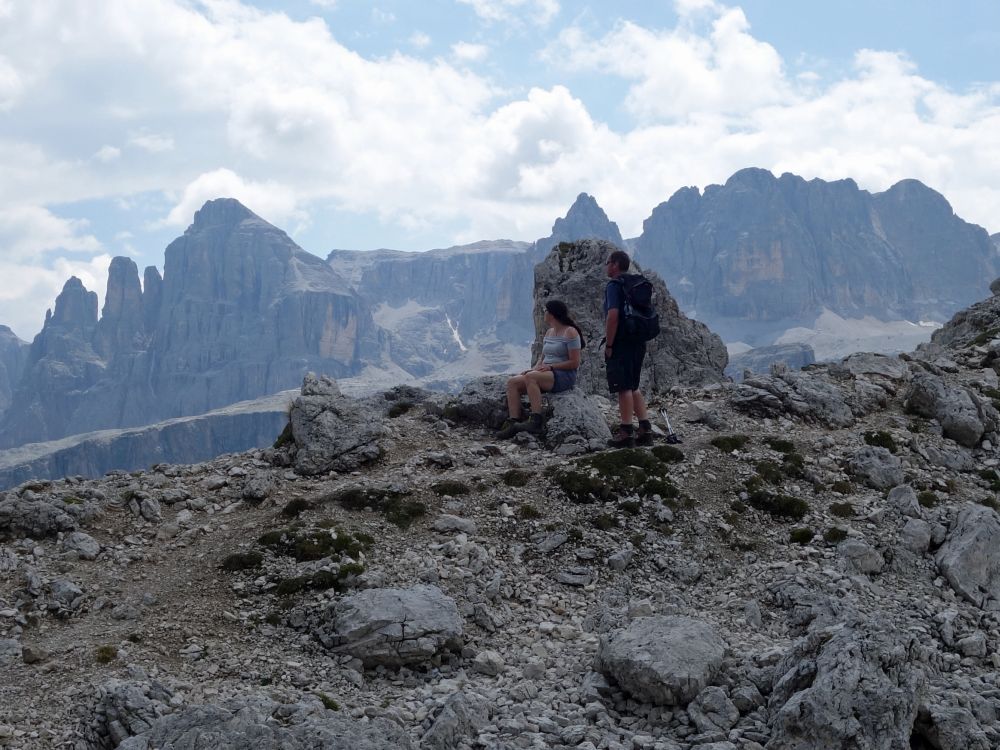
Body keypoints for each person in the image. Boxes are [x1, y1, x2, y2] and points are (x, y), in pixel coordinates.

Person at [497, 299, 585, 439]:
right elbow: (542, 358)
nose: (543, 313)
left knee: (531, 378)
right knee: (512, 382)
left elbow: (574, 363)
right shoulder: (549, 332)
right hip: (545, 373)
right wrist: (534, 369)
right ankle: (513, 422)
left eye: (546, 311)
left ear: (552, 314)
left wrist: (551, 367)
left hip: (563, 375)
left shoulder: (571, 332)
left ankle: (536, 420)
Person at [604, 249, 653, 447]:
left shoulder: (614, 286)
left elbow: (613, 315)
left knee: (623, 386)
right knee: (633, 385)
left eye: (608, 262)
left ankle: (626, 432)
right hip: (638, 340)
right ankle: (645, 429)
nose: (606, 266)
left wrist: (609, 344)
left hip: (622, 340)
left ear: (615, 264)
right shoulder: (636, 283)